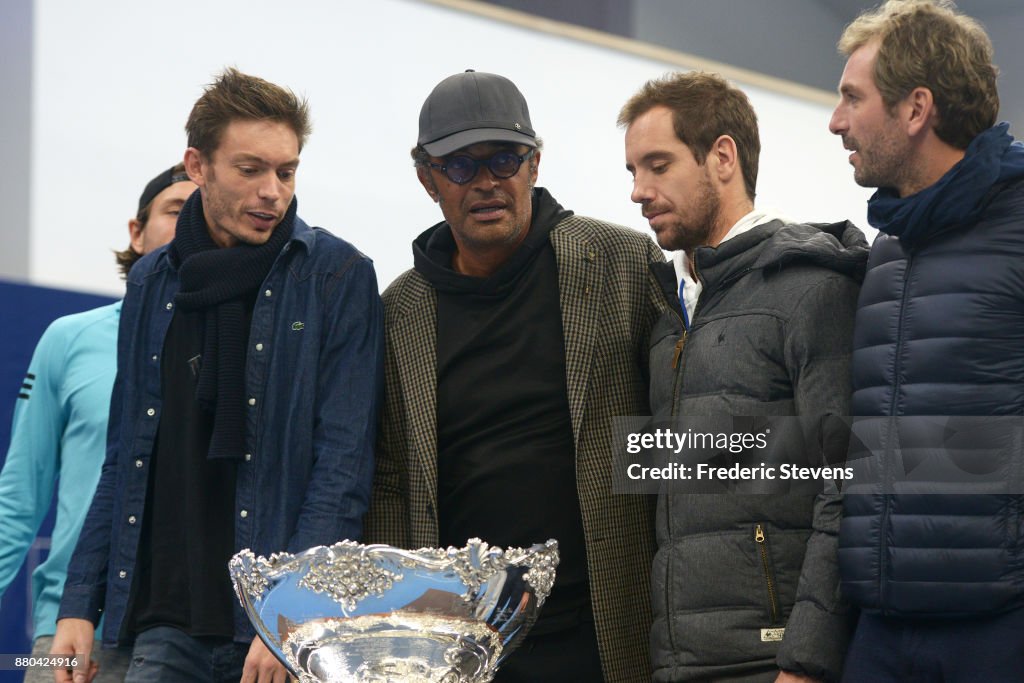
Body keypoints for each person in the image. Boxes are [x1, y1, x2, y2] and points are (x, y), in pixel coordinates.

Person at [52, 68, 384, 683]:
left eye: (287, 171)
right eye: (250, 169)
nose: (273, 192)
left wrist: (292, 612)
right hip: (164, 617)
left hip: (274, 625)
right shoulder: (154, 280)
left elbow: (341, 466)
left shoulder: (335, 276)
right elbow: (126, 456)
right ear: (197, 166)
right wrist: (79, 603)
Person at [362, 69, 664, 682]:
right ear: (427, 180)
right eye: (461, 166)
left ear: (534, 164)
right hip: (467, 645)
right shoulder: (399, 313)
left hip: (607, 628)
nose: (487, 182)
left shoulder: (623, 265)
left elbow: (686, 420)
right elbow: (392, 479)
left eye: (504, 158)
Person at [620, 71, 867, 682]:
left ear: (722, 157)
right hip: (679, 663)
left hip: (773, 664)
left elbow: (851, 486)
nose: (638, 191)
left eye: (658, 165)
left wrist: (807, 660)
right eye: (632, 172)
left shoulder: (811, 289)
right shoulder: (668, 318)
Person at [828, 1, 1024, 680]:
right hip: (882, 627)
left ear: (916, 109)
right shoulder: (888, 249)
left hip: (998, 628)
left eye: (852, 98)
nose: (836, 120)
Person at [0, 165, 194, 683]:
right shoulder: (68, 338)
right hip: (71, 632)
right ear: (136, 231)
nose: (190, 223)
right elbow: (19, 496)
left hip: (193, 637)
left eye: (201, 212)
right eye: (177, 210)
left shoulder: (241, 346)